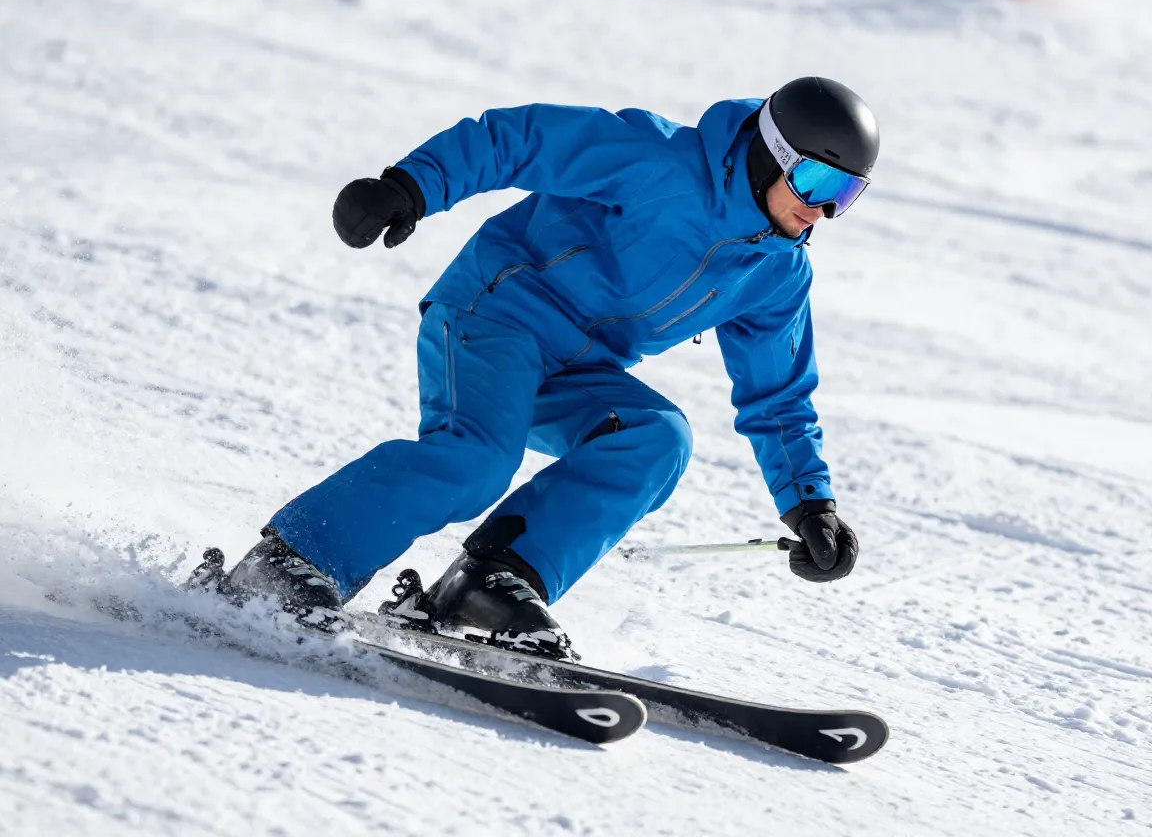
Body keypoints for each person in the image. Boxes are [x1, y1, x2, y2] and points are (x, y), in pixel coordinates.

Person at [212, 76, 879, 660]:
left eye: (844, 195)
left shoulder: (777, 272)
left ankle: (491, 581)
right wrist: (410, 188)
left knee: (656, 437)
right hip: (495, 312)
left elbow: (779, 396)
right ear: (771, 154)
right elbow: (521, 138)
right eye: (816, 181)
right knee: (477, 459)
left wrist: (809, 504)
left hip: (580, 367)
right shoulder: (661, 161)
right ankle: (291, 563)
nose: (821, 209)